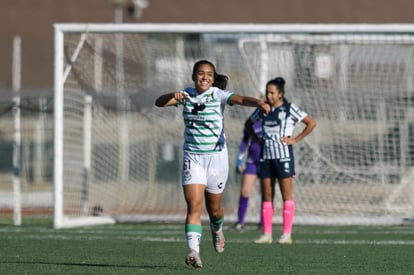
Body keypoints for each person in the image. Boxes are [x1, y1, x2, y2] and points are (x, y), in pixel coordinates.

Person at [154, 60, 270, 269]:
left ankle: (217, 230)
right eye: (200, 73)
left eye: (208, 74)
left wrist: (259, 103)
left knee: (214, 210)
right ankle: (194, 252)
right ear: (193, 76)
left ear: (213, 78)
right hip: (193, 158)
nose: (204, 77)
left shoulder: (218, 95)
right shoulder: (186, 95)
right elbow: (159, 103)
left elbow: (241, 99)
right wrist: (173, 94)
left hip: (216, 158)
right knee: (194, 205)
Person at [246, 77, 316, 245]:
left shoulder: (290, 109)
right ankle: (267, 234)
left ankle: (286, 234)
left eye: (272, 92)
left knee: (286, 195)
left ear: (280, 94)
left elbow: (311, 123)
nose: (268, 95)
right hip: (266, 157)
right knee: (267, 195)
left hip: (283, 158)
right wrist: (257, 139)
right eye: (267, 92)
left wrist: (294, 139)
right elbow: (248, 124)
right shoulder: (263, 108)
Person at [233, 118, 263, 232]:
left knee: (266, 193)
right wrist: (240, 157)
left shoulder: (272, 119)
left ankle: (263, 222)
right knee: (245, 191)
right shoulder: (252, 120)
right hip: (252, 161)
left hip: (266, 161)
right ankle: (240, 222)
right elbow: (245, 140)